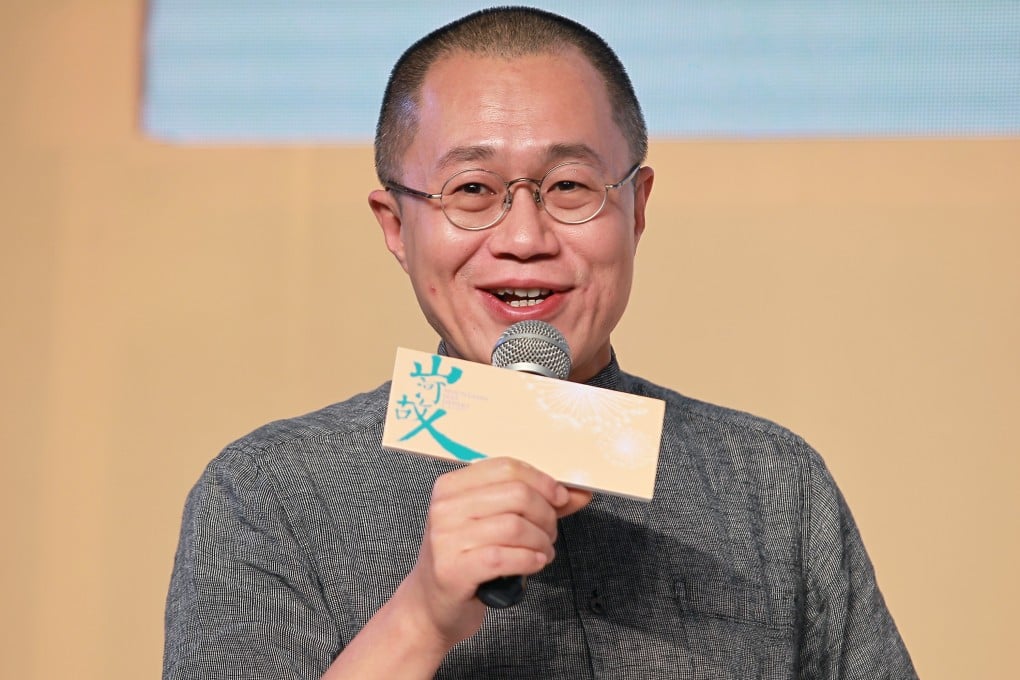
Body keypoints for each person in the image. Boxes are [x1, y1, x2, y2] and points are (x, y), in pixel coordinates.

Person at [163, 7, 916, 679]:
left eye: (569, 188)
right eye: (472, 191)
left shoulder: (770, 486)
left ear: (637, 209)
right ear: (396, 227)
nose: (525, 238)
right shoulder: (270, 493)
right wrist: (419, 622)